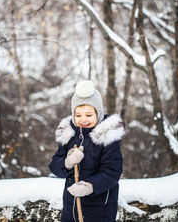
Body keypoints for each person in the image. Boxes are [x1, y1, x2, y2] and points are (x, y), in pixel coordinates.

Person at [49, 80, 125, 222]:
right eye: (78, 115)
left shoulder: (107, 137)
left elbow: (113, 172)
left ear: (99, 113)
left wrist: (89, 186)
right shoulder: (69, 135)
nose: (83, 119)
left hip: (100, 211)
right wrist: (67, 162)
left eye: (89, 115)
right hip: (70, 211)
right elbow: (54, 166)